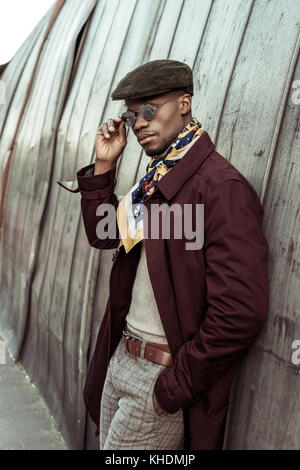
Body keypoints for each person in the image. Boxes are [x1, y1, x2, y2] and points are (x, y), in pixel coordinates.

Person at [57, 59, 269, 450]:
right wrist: (105, 164)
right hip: (122, 357)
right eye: (132, 114)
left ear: (184, 104)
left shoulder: (221, 189)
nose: (139, 123)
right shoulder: (155, 181)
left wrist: (173, 388)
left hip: (162, 374)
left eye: (150, 110)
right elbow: (105, 233)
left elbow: (240, 311)